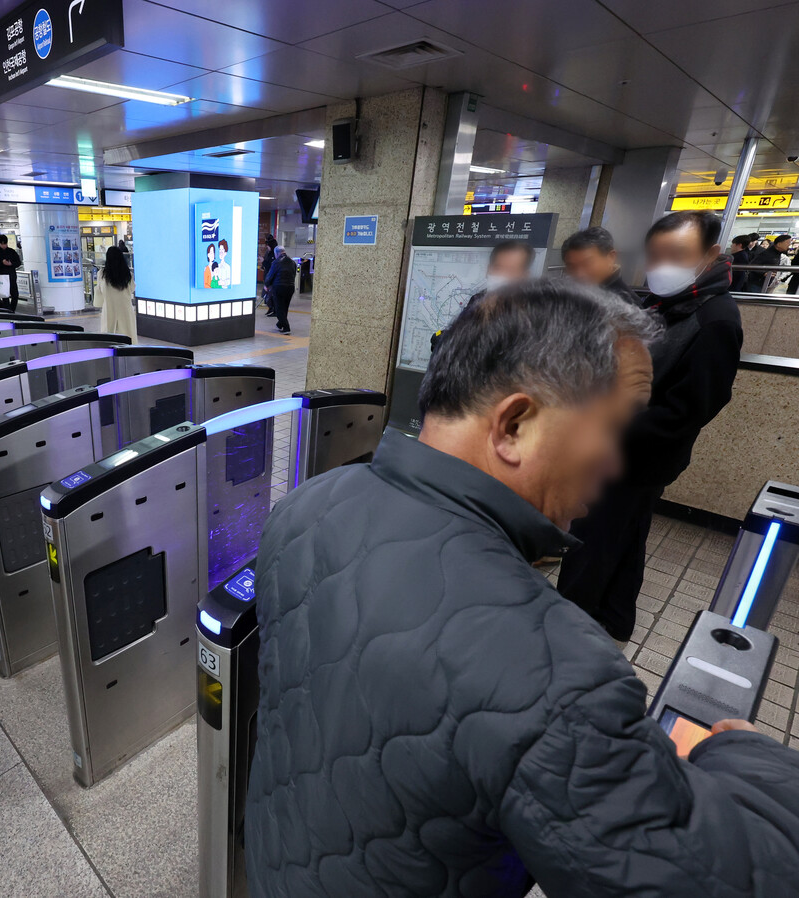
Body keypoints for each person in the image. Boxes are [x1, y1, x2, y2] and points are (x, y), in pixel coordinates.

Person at [246, 278, 799, 898]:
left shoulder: (306, 507)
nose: (617, 463)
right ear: (513, 425)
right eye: (611, 429)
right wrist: (748, 757)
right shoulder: (557, 670)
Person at [558, 211, 742, 643]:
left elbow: (690, 410)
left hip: (633, 458)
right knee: (625, 540)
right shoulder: (669, 304)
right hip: (631, 454)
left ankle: (565, 635)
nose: (661, 266)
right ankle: (617, 620)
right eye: (655, 256)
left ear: (711, 254)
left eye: (675, 255)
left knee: (590, 545)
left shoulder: (715, 319)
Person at [561, 226, 640, 304]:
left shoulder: (627, 305)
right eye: (571, 267)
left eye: (587, 263)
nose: (579, 274)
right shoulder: (570, 295)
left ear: (611, 257)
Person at [94, 244, 137, 342]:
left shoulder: (102, 273)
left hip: (109, 307)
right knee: (127, 333)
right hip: (125, 308)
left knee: (108, 333)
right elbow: (132, 288)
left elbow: (100, 289)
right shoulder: (127, 274)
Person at [264, 246, 297, 335]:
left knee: (278, 308)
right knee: (285, 307)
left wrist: (266, 285)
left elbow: (270, 275)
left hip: (279, 287)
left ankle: (286, 327)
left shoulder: (276, 262)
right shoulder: (292, 262)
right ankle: (280, 324)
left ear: (276, 253)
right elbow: (294, 275)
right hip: (290, 287)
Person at [0, 234, 22, 312]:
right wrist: (2, 262)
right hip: (1, 277)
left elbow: (18, 262)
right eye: (2, 244)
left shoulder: (11, 251)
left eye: (5, 244)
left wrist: (11, 264)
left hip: (11, 276)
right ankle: (8, 311)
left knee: (15, 295)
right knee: (5, 295)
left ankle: (12, 310)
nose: (4, 245)